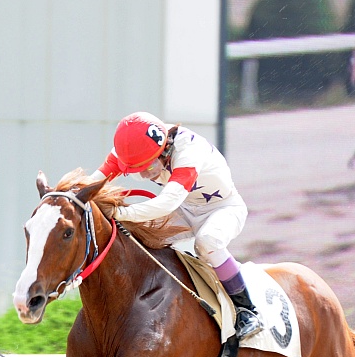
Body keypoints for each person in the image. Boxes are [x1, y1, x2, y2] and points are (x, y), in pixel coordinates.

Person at [86, 112, 262, 340]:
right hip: (185, 209)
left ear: (165, 149)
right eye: (137, 171)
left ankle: (247, 310)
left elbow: (166, 202)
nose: (144, 175)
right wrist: (65, 196)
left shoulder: (189, 151)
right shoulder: (131, 148)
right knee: (140, 239)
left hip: (223, 208)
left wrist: (120, 213)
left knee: (207, 242)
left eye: (148, 167)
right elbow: (93, 181)